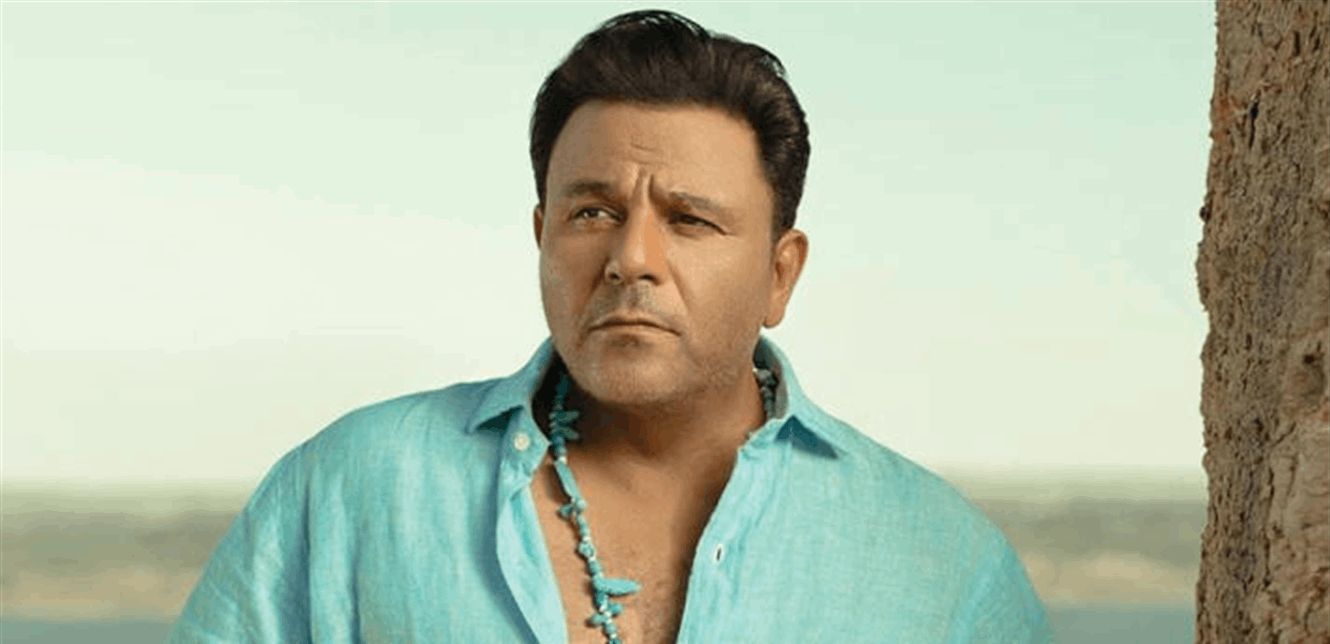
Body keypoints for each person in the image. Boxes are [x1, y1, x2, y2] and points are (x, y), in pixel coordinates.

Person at [170, 10, 1050, 643]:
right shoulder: (351, 491)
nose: (632, 258)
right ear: (542, 236)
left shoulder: (944, 566)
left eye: (690, 220)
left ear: (780, 274)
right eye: (592, 213)